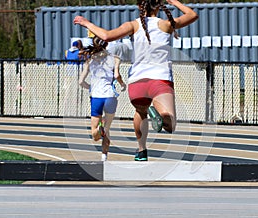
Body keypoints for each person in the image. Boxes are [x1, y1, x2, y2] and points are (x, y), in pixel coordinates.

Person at [74, 0, 198, 161]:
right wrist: (174, 1)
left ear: (140, 7)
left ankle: (141, 150)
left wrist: (86, 23)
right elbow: (193, 15)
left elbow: (106, 36)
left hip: (137, 83)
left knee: (140, 112)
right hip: (160, 80)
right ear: (159, 7)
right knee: (170, 124)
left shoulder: (133, 25)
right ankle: (160, 115)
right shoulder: (167, 24)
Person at [79, 36, 126, 161]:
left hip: (96, 97)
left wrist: (90, 87)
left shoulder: (90, 60)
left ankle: (100, 130)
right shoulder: (115, 58)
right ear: (106, 45)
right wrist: (122, 85)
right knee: (107, 129)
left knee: (95, 134)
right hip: (110, 96)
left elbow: (81, 82)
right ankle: (104, 156)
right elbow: (116, 75)